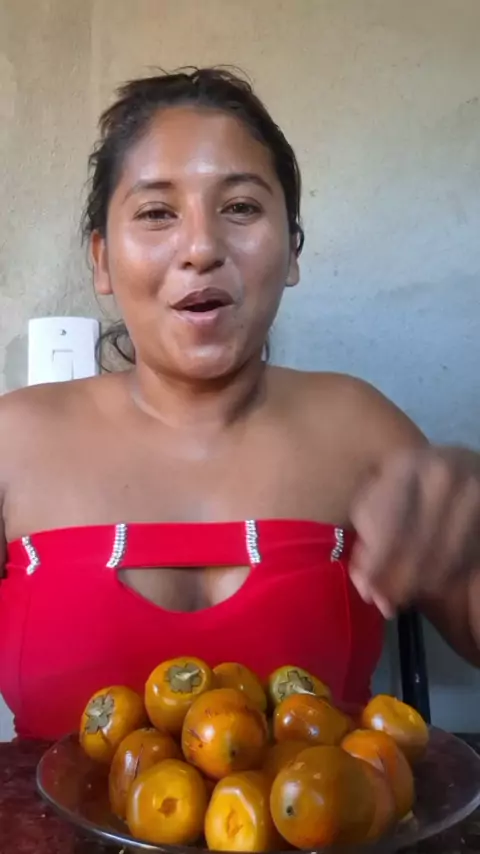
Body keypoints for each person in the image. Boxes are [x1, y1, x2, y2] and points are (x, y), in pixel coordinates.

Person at [0, 68, 478, 741]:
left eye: (242, 207)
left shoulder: (360, 428)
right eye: (157, 213)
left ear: (292, 249)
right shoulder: (13, 442)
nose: (201, 248)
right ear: (102, 260)